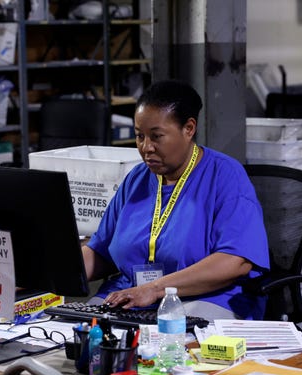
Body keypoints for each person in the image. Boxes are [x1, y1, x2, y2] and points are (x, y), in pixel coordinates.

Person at [82, 79, 270, 321]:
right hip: (133, 297)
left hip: (206, 298)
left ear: (189, 128)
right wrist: (45, 276)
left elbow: (236, 261)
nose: (146, 147)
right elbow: (100, 250)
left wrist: (155, 289)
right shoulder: (137, 179)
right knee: (82, 334)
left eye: (157, 136)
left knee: (167, 346)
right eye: (139, 136)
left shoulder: (225, 176)